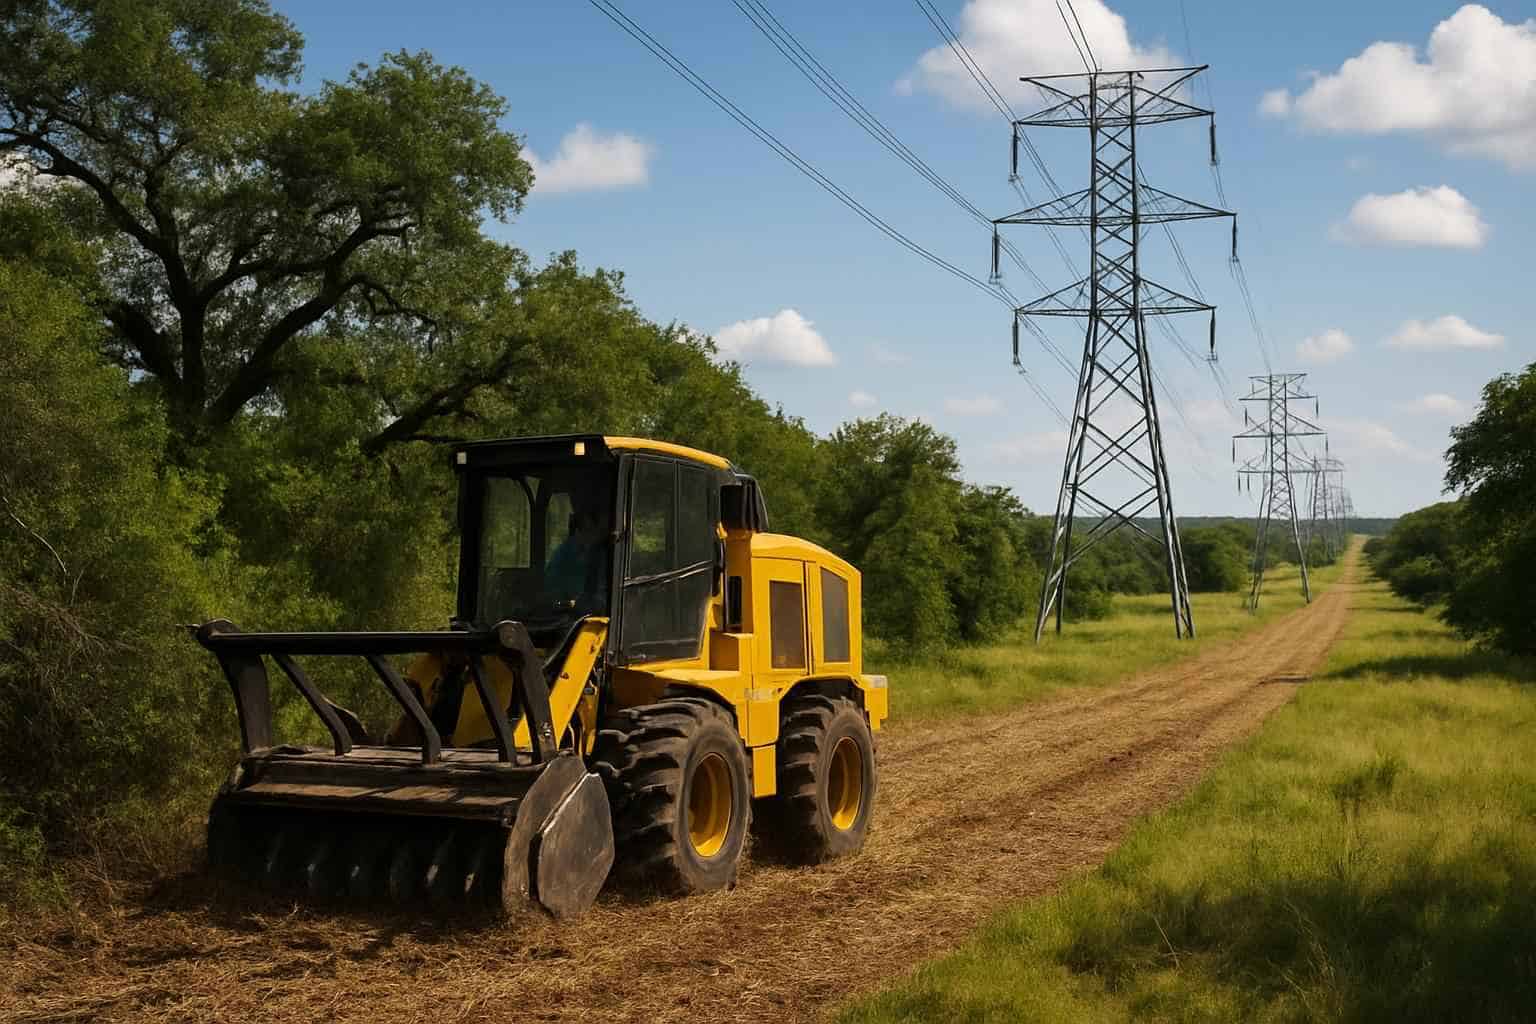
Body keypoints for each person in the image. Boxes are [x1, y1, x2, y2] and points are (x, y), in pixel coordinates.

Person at [545, 504, 605, 606]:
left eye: (595, 531)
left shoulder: (598, 553)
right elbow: (552, 589)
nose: (594, 536)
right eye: (588, 530)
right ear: (577, 532)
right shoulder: (562, 555)